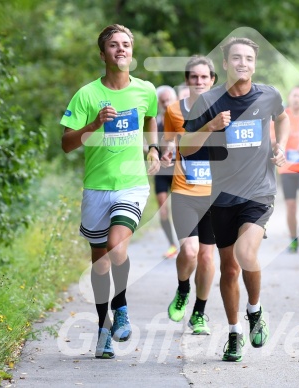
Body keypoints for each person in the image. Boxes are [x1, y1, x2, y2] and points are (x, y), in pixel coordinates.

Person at [180, 37, 289, 362]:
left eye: (249, 58)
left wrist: (280, 145)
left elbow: (282, 117)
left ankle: (254, 310)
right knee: (229, 270)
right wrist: (211, 126)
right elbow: (186, 147)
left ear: (255, 63)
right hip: (221, 197)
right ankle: (234, 333)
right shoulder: (209, 100)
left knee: (245, 252)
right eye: (236, 58)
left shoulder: (269, 95)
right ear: (225, 64)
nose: (243, 63)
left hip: (258, 192)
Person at [60, 24, 160, 359]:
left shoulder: (145, 90)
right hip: (96, 189)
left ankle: (122, 310)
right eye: (114, 45)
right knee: (100, 265)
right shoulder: (87, 95)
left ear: (132, 52)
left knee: (118, 248)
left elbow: (150, 119)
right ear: (102, 54)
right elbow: (66, 144)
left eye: (127, 45)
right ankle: (103, 327)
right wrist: (93, 125)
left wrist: (154, 150)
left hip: (131, 186)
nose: (121, 50)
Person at [163, 55, 217, 335]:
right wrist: (166, 151)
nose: (199, 82)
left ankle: (199, 313)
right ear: (187, 80)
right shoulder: (174, 111)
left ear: (212, 80)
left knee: (207, 258)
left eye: (204, 77)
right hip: (184, 190)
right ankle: (183, 289)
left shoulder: (223, 112)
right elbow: (168, 142)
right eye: (194, 77)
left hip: (215, 196)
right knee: (190, 250)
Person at [278, 86, 299, 253]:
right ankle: (293, 238)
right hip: (287, 169)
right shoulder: (282, 117)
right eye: (294, 96)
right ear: (289, 98)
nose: (297, 99)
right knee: (291, 206)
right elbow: (272, 138)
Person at [155, 85, 179, 259]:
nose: (165, 103)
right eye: (162, 101)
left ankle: (187, 242)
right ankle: (172, 245)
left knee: (181, 210)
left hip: (178, 170)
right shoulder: (155, 123)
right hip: (161, 172)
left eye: (168, 100)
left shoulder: (181, 119)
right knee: (163, 211)